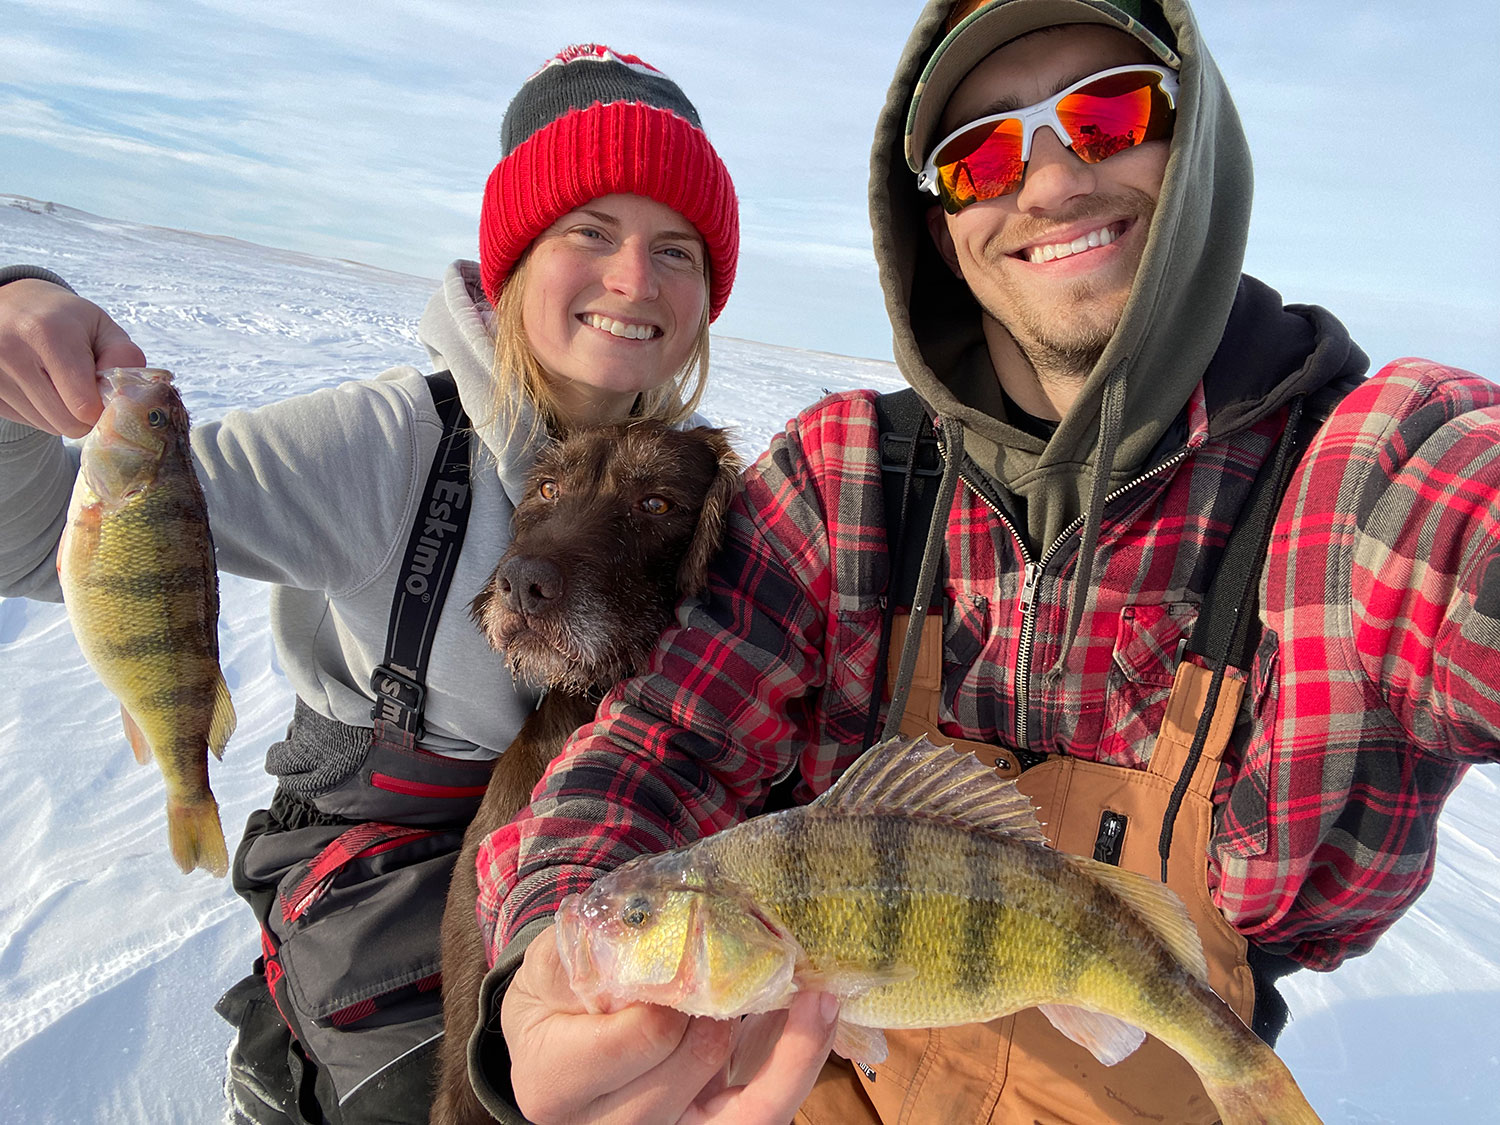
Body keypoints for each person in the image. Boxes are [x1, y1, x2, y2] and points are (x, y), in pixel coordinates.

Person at [464, 2, 1500, 1124]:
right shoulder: (842, 475)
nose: (1049, 184)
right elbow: (663, 747)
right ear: (938, 222)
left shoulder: (1368, 482)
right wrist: (544, 970)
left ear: (1195, 141)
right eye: (985, 152)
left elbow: (1468, 528)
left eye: (1109, 114)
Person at [0, 43, 751, 1125]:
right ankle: (287, 1057)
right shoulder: (388, 444)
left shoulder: (700, 486)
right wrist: (18, 315)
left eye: (675, 248)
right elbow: (36, 547)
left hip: (596, 843)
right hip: (377, 860)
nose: (634, 280)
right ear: (518, 255)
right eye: (591, 231)